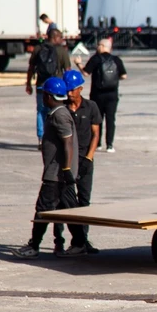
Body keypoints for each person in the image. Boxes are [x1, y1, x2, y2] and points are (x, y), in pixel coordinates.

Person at [14, 76, 85, 259]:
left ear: (50, 96)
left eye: (44, 94)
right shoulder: (57, 112)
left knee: (43, 209)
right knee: (69, 210)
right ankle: (79, 243)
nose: (43, 97)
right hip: (60, 174)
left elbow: (68, 142)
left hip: (57, 175)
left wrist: (67, 169)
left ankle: (34, 246)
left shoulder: (60, 115)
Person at [64, 69, 103, 255]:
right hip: (68, 161)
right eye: (67, 90)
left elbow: (96, 134)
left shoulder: (91, 107)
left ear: (80, 88)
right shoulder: (63, 110)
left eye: (72, 89)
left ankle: (83, 241)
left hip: (85, 160)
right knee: (66, 202)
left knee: (84, 201)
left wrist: (89, 157)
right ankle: (66, 241)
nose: (69, 93)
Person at [26, 28, 71, 147]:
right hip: (58, 88)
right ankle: (56, 137)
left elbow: (31, 68)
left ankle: (41, 138)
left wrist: (28, 84)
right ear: (55, 37)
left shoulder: (38, 49)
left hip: (41, 86)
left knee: (41, 112)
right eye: (60, 37)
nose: (61, 40)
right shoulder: (61, 51)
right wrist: (68, 87)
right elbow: (67, 70)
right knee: (58, 112)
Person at [83, 37, 127, 152]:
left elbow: (86, 73)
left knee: (98, 119)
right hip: (112, 94)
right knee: (111, 119)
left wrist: (78, 64)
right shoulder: (116, 60)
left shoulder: (96, 59)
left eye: (98, 45)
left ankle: (97, 143)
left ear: (102, 46)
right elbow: (124, 76)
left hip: (97, 94)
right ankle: (110, 145)